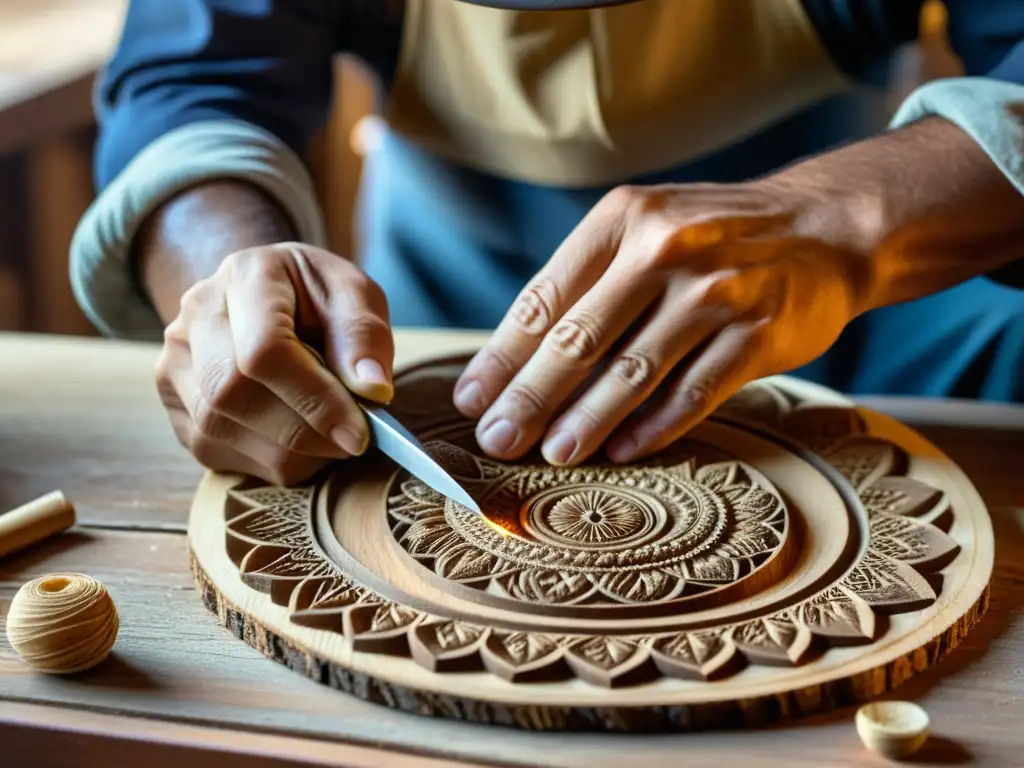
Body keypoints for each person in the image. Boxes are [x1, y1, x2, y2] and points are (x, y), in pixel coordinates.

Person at [70, 0, 1024, 486]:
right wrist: (232, 281)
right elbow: (191, 81)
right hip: (436, 325)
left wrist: (843, 219)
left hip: (895, 311)